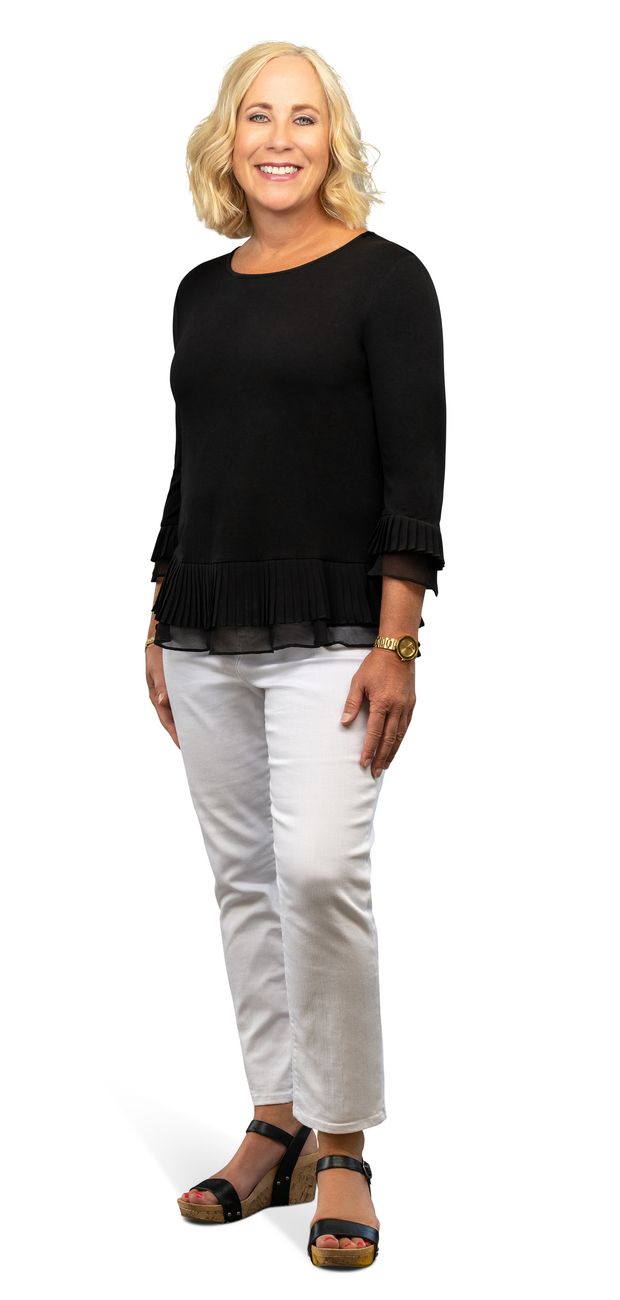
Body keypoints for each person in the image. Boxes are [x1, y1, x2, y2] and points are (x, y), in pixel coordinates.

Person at [145, 40, 446, 1269]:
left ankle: (342, 1142)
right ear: (229, 138)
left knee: (319, 874)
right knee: (243, 879)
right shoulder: (199, 292)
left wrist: (397, 637)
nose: (280, 139)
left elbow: (413, 471)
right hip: (204, 619)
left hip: (334, 625)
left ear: (333, 140)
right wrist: (157, 609)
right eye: (258, 116)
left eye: (304, 118)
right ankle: (273, 1124)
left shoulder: (387, 280)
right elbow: (199, 462)